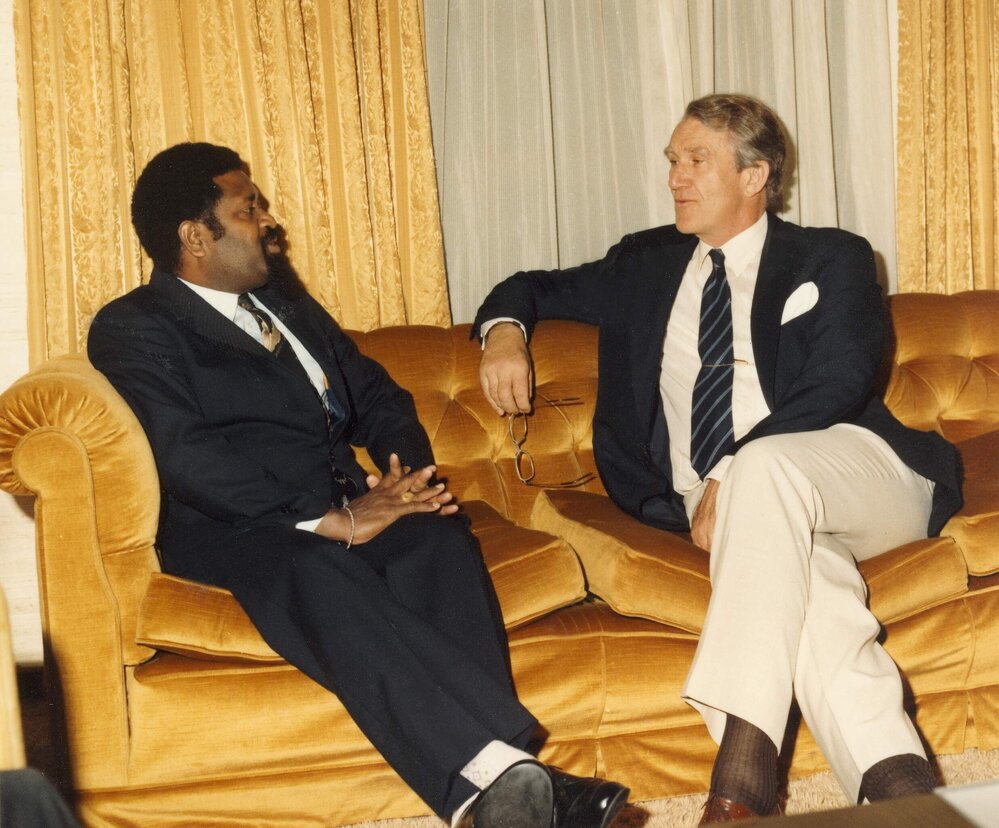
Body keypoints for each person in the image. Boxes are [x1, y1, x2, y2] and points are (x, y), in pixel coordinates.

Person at [87, 142, 629, 828]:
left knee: (435, 542)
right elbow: (185, 453)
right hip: (234, 528)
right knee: (319, 571)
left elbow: (379, 396)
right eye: (248, 208)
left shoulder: (283, 303)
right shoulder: (135, 326)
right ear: (196, 237)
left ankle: (502, 803)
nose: (267, 221)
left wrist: (403, 481)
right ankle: (518, 779)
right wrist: (328, 521)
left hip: (346, 503)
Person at [475, 94, 962, 823]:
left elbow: (841, 378)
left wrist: (727, 470)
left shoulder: (830, 256)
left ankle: (741, 774)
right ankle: (904, 796)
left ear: (754, 174)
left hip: (857, 475)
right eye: (672, 160)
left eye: (696, 160)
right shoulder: (643, 264)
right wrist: (505, 332)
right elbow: (531, 287)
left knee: (761, 469)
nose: (676, 176)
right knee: (813, 592)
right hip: (747, 514)